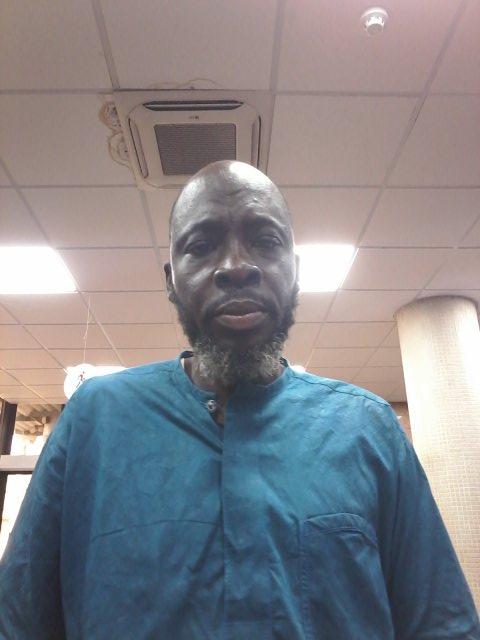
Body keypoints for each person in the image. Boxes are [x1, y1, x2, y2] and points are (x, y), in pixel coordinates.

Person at [0, 161, 478, 640]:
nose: (235, 267)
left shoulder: (368, 429)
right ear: (171, 280)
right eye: (202, 246)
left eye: (266, 241)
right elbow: (17, 621)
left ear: (295, 272)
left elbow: (443, 625)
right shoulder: (94, 421)